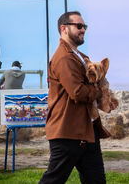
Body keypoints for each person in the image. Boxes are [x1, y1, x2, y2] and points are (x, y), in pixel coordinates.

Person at [39, 11, 105, 184]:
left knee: (96, 181)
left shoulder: (80, 57)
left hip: (86, 131)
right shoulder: (63, 58)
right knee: (53, 180)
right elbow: (78, 92)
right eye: (79, 26)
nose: (83, 30)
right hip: (67, 132)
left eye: (84, 26)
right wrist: (98, 91)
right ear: (64, 29)